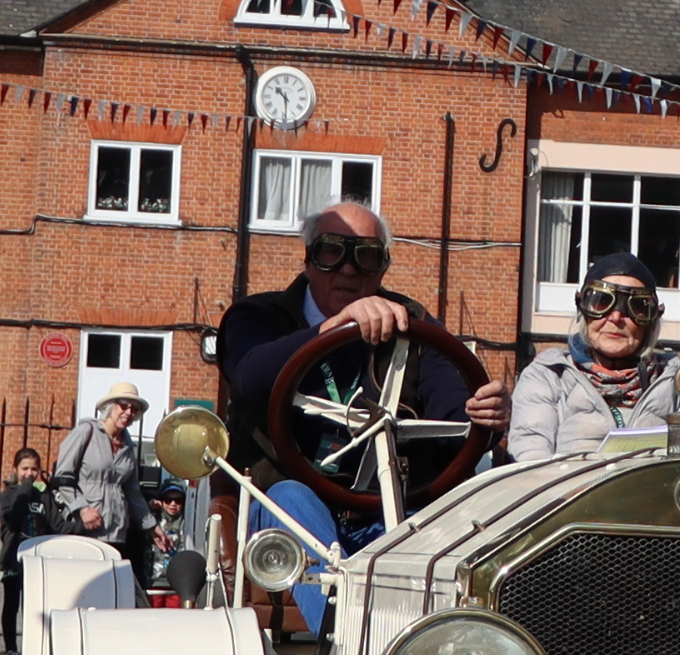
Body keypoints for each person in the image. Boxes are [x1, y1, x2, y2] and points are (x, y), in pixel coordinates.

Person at [214, 201, 507, 500]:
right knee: (292, 497)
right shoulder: (257, 316)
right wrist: (333, 326)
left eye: (367, 255)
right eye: (331, 251)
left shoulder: (413, 325)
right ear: (309, 261)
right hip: (283, 500)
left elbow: (456, 421)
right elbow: (249, 375)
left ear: (383, 268)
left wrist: (487, 414)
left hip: (389, 501)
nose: (348, 268)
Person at [504, 254, 680, 461]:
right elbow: (530, 457)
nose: (616, 317)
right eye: (601, 301)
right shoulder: (548, 376)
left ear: (651, 321)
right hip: (568, 483)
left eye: (636, 306)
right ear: (583, 309)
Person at [51, 388, 158, 572]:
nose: (128, 412)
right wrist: (82, 509)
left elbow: (133, 493)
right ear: (110, 407)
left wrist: (152, 526)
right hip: (85, 528)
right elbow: (62, 477)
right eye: (123, 406)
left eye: (134, 409)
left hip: (116, 531)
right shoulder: (86, 432)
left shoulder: (128, 446)